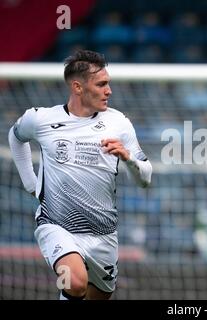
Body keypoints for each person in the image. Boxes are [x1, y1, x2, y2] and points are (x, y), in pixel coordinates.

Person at [8, 50, 152, 300]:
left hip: (103, 234)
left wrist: (128, 159)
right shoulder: (41, 119)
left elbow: (145, 179)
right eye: (102, 84)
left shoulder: (119, 123)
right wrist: (30, 182)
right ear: (77, 87)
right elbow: (15, 136)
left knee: (97, 295)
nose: (109, 91)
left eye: (108, 83)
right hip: (56, 225)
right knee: (75, 282)